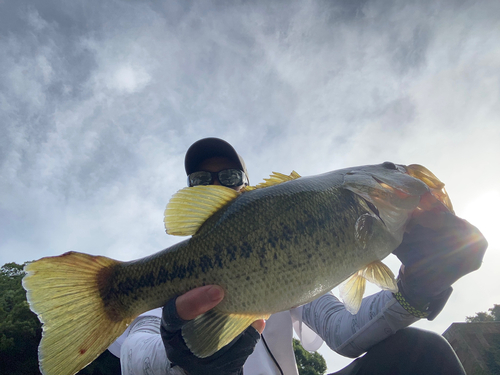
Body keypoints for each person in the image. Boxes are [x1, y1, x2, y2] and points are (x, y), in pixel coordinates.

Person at [109, 137, 487, 375]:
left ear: (248, 187)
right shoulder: (158, 293)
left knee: (423, 354)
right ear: (191, 194)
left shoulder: (297, 270)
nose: (213, 184)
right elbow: (135, 356)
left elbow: (345, 330)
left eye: (228, 178)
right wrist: (182, 356)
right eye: (199, 181)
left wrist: (419, 286)